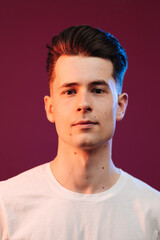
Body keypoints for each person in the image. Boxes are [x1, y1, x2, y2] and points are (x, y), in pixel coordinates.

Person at [0, 25, 159, 240]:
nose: (83, 104)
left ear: (120, 105)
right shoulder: (6, 205)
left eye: (97, 90)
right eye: (69, 91)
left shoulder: (153, 213)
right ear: (50, 108)